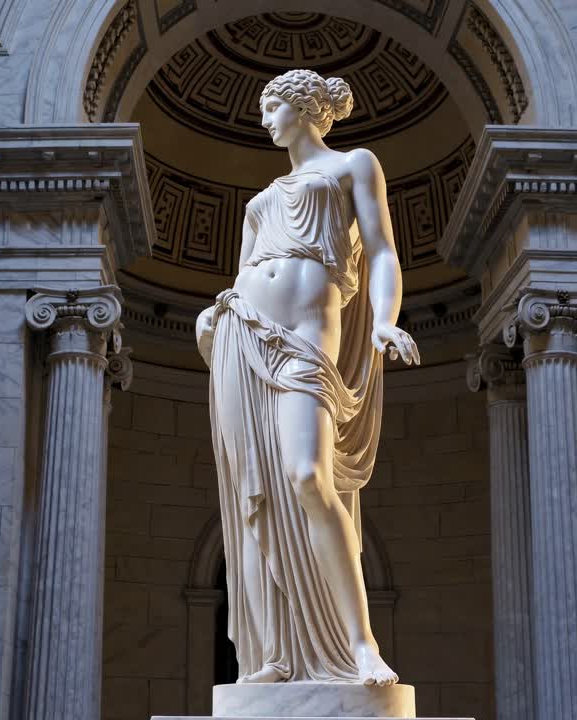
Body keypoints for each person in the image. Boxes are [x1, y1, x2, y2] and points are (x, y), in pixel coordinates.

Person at [196, 69, 419, 687]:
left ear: (302, 110)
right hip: (241, 335)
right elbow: (242, 275)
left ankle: (360, 645)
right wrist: (212, 320)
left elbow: (382, 251)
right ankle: (274, 654)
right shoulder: (260, 200)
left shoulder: (353, 165)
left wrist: (383, 320)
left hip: (304, 344)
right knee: (252, 496)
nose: (265, 121)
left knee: (305, 475)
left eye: (272, 108)